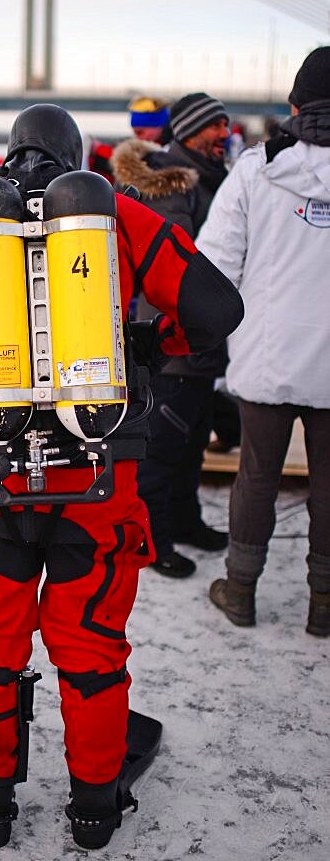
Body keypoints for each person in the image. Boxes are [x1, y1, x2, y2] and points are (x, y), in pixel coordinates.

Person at [0, 104, 243, 850]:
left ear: (8, 156)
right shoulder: (118, 220)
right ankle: (94, 809)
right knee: (90, 647)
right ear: (79, 159)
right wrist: (149, 348)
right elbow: (218, 309)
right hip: (99, 477)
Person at [196, 47, 330, 637]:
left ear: (295, 104)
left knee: (257, 475)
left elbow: (215, 263)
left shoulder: (255, 167)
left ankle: (241, 589)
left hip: (267, 355)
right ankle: (323, 603)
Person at [111, 92, 236, 578]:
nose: (224, 134)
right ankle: (153, 540)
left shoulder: (208, 178)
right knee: (161, 452)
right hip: (172, 347)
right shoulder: (170, 185)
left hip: (199, 345)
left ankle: (186, 522)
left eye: (226, 125)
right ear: (188, 131)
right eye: (215, 126)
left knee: (190, 446)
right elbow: (174, 274)